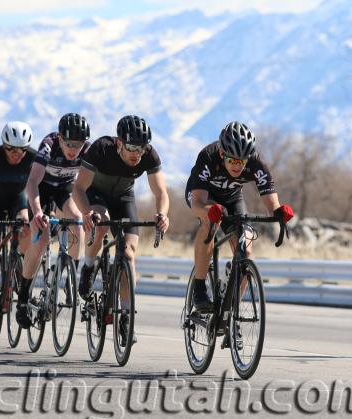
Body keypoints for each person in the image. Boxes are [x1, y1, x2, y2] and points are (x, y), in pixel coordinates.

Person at [74, 115, 170, 345]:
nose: (138, 153)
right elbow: (78, 187)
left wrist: (162, 214)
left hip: (124, 198)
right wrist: (87, 212)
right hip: (96, 196)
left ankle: (126, 315)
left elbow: (161, 193)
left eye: (142, 147)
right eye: (132, 148)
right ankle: (88, 266)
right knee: (102, 223)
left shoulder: (149, 155)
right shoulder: (100, 149)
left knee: (128, 254)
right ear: (118, 143)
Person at [184, 121, 293, 325]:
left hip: (232, 198)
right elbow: (196, 202)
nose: (236, 165)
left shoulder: (255, 162)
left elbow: (271, 202)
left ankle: (230, 312)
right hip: (204, 197)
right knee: (209, 223)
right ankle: (199, 287)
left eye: (241, 162)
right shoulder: (208, 156)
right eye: (231, 160)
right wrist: (209, 211)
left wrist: (279, 212)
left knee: (246, 250)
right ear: (222, 154)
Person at [16, 114, 90, 329]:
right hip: (42, 190)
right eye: (69, 144)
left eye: (78, 145)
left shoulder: (88, 150)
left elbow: (88, 186)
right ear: (59, 138)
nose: (73, 149)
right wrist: (37, 212)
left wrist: (90, 212)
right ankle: (22, 297)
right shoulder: (48, 145)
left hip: (65, 189)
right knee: (40, 240)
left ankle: (70, 279)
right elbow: (32, 182)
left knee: (77, 219)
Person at [0, 123, 36, 330]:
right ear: (3, 146)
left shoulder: (33, 158)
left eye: (21, 150)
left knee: (27, 226)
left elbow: (41, 187)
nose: (16, 154)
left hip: (17, 201)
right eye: (11, 149)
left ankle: (19, 259)